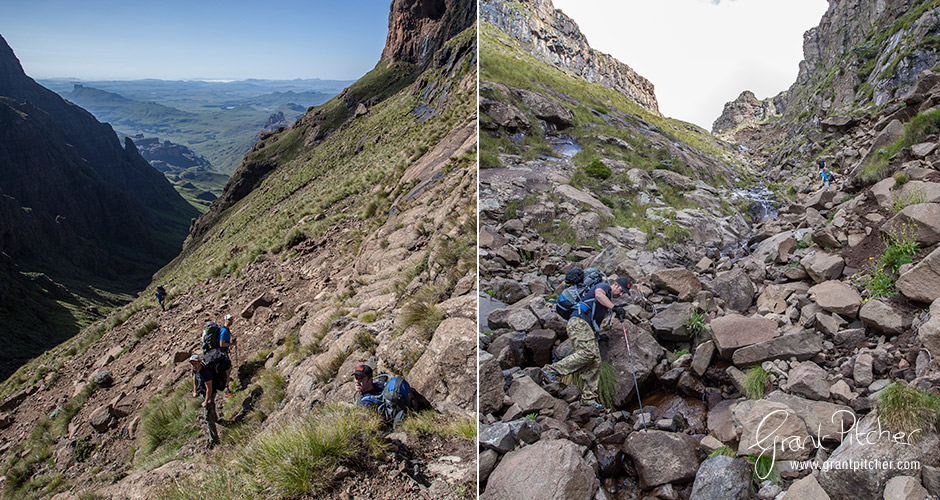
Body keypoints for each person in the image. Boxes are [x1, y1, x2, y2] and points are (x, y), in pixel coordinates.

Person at [542, 277, 630, 410]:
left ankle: (588, 399)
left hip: (587, 327)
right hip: (578, 322)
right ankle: (551, 370)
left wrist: (598, 335)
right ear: (615, 285)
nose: (621, 294)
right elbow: (598, 295)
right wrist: (615, 308)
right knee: (589, 353)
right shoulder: (604, 287)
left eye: (624, 293)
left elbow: (597, 320)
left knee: (595, 361)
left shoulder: (605, 305)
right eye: (621, 291)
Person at [190, 354, 219, 450]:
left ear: (199, 362)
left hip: (209, 393)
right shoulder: (196, 369)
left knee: (207, 417)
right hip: (203, 392)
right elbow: (194, 378)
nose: (193, 365)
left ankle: (214, 439)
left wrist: (206, 401)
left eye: (194, 363)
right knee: (211, 409)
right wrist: (195, 390)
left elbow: (209, 389)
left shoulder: (206, 373)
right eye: (192, 363)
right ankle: (216, 419)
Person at [219, 314, 237, 397]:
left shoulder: (226, 329)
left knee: (227, 370)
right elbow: (222, 344)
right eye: (229, 319)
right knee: (227, 370)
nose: (231, 321)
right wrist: (231, 344)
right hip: (222, 353)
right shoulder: (224, 330)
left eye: (231, 319)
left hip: (223, 352)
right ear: (225, 320)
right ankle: (226, 389)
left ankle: (226, 388)